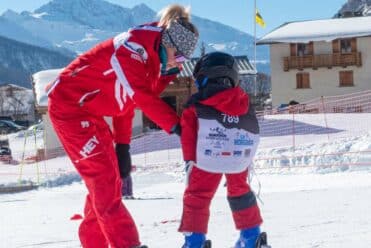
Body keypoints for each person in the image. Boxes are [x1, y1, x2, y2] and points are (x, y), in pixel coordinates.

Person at [47, 4, 198, 248]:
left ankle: (93, 243)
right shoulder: (131, 48)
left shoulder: (153, 61)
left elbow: (126, 103)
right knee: (104, 181)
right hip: (69, 108)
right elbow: (141, 97)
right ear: (168, 42)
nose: (180, 64)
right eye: (179, 56)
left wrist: (123, 146)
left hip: (90, 113)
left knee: (108, 183)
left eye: (185, 59)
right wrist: (178, 127)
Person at [178, 52, 270, 248]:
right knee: (240, 192)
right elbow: (252, 129)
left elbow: (188, 136)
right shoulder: (245, 104)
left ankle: (195, 242)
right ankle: (252, 236)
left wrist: (189, 161)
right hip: (238, 158)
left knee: (198, 196)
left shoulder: (195, 106)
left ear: (203, 78)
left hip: (206, 158)